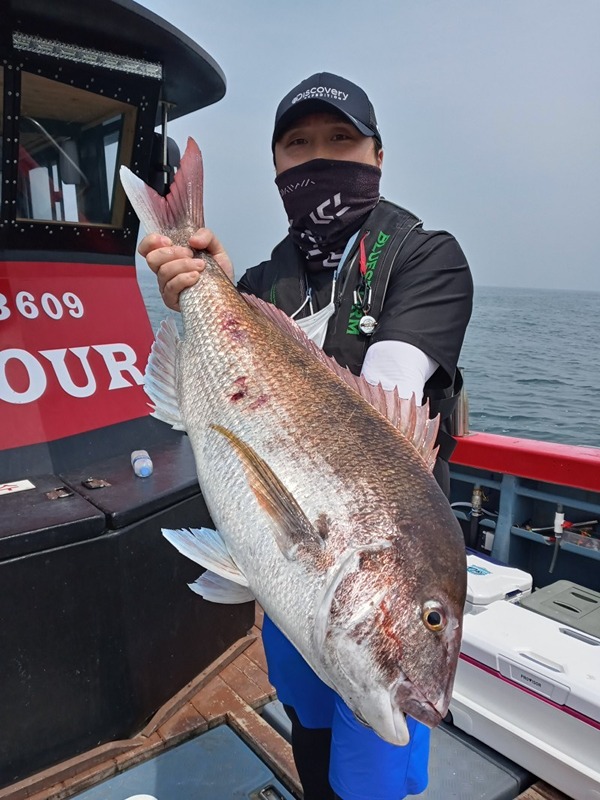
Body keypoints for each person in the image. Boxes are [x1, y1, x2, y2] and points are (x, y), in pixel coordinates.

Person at [141, 72, 473, 800]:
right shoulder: (267, 276)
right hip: (298, 590)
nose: (319, 155)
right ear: (275, 167)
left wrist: (230, 313)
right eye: (298, 144)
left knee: (374, 781)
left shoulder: (425, 257)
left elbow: (388, 391)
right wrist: (207, 287)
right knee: (310, 736)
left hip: (350, 575)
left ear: (377, 155)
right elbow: (233, 348)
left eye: (341, 139)